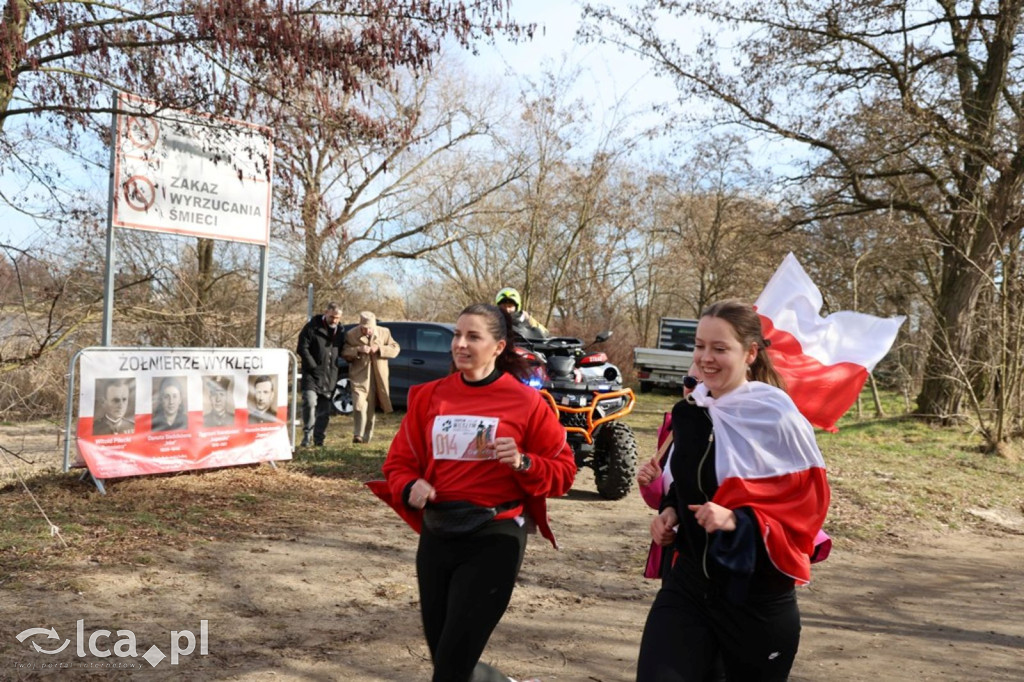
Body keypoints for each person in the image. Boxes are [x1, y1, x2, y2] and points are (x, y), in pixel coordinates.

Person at [369, 303, 576, 682]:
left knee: (450, 668)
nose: (460, 344)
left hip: (496, 535)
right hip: (439, 532)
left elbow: (564, 473)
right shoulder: (429, 397)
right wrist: (409, 486)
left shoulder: (527, 403)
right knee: (448, 659)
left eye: (473, 337)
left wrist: (524, 463)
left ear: (498, 347)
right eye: (457, 335)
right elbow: (398, 464)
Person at [635, 300, 831, 682]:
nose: (706, 358)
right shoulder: (688, 414)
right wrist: (670, 513)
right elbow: (684, 486)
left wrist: (737, 520)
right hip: (688, 588)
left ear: (751, 353)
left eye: (720, 348)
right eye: (699, 346)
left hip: (757, 600)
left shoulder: (777, 416)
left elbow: (808, 509)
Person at [341, 311, 400, 444]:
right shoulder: (351, 334)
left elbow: (396, 349)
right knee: (359, 404)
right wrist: (358, 349)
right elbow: (344, 352)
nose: (368, 331)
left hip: (377, 375)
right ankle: (358, 434)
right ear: (360, 325)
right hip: (359, 375)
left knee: (370, 407)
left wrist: (379, 349)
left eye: (370, 328)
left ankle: (366, 437)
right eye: (365, 328)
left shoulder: (385, 332)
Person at [296, 302, 344, 446]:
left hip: (330, 376)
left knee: (324, 410)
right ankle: (307, 436)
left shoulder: (340, 331)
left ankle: (319, 439)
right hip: (311, 374)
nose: (334, 320)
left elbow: (342, 350)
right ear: (326, 312)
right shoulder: (312, 327)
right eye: (332, 317)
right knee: (310, 403)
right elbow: (302, 348)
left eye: (337, 318)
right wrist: (313, 366)